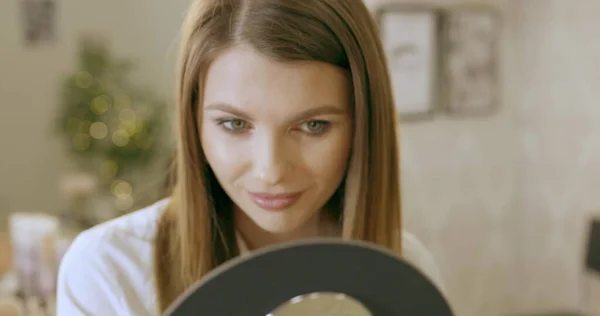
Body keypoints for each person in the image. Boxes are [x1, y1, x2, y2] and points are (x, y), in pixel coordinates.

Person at [55, 0, 446, 315]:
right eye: (234, 124)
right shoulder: (111, 269)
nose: (271, 170)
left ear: (363, 126)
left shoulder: (405, 269)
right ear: (194, 121)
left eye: (313, 126)